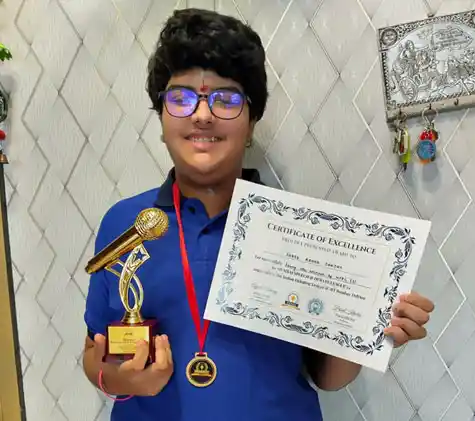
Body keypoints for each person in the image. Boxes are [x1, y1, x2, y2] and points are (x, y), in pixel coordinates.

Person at [82, 8, 435, 421]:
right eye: (180, 98)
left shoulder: (300, 230)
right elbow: (94, 353)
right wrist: (123, 380)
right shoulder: (125, 224)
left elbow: (328, 377)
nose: (202, 114)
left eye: (226, 99)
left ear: (251, 124)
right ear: (160, 119)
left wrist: (370, 326)